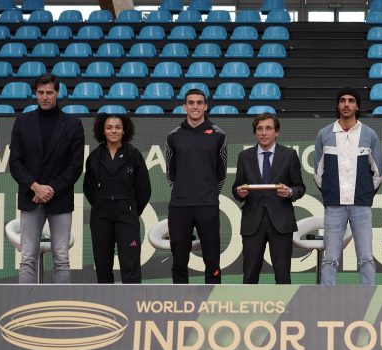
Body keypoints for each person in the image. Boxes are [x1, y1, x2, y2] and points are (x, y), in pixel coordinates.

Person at [9, 73, 84, 284]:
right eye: (40, 92)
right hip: (30, 198)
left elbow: (75, 166)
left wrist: (50, 190)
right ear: (35, 93)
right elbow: (15, 163)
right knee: (27, 259)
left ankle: (61, 304)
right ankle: (25, 303)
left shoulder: (73, 124)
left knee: (61, 258)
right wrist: (35, 187)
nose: (44, 97)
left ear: (57, 93)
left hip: (60, 200)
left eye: (49, 92)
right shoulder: (22, 122)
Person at [314, 87, 382, 285]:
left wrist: (365, 194)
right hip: (334, 205)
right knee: (330, 258)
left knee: (366, 258)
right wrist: (331, 193)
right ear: (338, 105)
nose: (346, 104)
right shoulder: (324, 134)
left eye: (351, 101)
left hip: (361, 206)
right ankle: (327, 299)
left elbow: (378, 172)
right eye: (342, 100)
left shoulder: (369, 134)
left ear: (357, 106)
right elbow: (318, 173)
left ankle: (368, 298)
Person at [232, 113, 306, 284]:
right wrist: (239, 193)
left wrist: (290, 192)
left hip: (281, 222)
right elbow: (237, 188)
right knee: (250, 274)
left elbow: (300, 187)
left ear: (276, 132)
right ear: (255, 133)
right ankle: (248, 302)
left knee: (283, 275)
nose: (264, 133)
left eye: (268, 128)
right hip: (253, 223)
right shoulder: (244, 156)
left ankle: (285, 303)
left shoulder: (289, 154)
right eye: (260, 129)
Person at [165, 89, 227, 284]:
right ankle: (179, 298)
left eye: (199, 102)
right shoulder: (173, 136)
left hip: (207, 205)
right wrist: (183, 192)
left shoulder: (219, 135)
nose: (195, 106)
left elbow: (221, 174)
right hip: (179, 207)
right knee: (179, 260)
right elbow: (170, 174)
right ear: (184, 106)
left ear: (206, 106)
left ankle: (213, 297)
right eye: (191, 103)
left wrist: (209, 194)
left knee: (212, 258)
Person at [83, 114, 151, 284]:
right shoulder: (94, 157)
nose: (113, 131)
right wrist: (101, 204)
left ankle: (132, 299)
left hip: (127, 216)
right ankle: (106, 299)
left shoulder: (134, 155)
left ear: (124, 130)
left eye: (117, 127)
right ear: (103, 131)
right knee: (102, 265)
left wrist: (131, 209)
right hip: (101, 216)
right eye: (109, 127)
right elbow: (88, 188)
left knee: (130, 265)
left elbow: (144, 189)